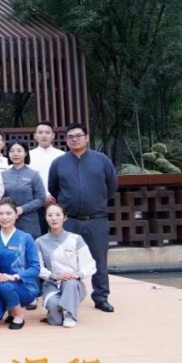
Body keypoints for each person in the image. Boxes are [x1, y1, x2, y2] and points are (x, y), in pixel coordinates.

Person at [48, 122, 118, 313]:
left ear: (86, 138)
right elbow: (53, 188)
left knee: (99, 260)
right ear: (66, 140)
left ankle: (101, 297)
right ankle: (65, 296)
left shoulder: (101, 160)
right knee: (65, 259)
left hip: (96, 219)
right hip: (69, 220)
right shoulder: (59, 163)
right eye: (70, 137)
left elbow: (112, 185)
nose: (75, 139)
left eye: (79, 135)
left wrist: (97, 201)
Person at [0, 200, 41, 329]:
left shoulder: (26, 238)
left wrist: (14, 277)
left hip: (25, 286)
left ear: (16, 215)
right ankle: (11, 307)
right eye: (1, 213)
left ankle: (18, 315)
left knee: (6, 286)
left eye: (9, 213)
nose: (4, 217)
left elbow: (35, 268)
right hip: (2, 285)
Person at [36, 204, 97, 328]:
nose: (54, 218)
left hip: (73, 285)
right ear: (46, 218)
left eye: (58, 215)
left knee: (70, 282)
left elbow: (90, 264)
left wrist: (77, 275)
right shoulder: (40, 241)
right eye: (50, 215)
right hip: (52, 284)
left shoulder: (76, 239)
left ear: (64, 218)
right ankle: (57, 312)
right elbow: (38, 267)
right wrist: (54, 276)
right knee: (56, 319)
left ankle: (70, 314)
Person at [3, 142, 46, 237]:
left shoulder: (34, 174)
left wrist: (22, 209)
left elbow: (41, 198)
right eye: (12, 151)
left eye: (19, 151)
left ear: (26, 153)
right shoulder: (3, 175)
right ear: (8, 154)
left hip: (29, 220)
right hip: (7, 220)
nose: (15, 154)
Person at [29, 121, 64, 201]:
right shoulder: (28, 156)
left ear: (53, 135)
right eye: (40, 133)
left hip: (58, 199)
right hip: (34, 199)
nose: (44, 136)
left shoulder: (62, 155)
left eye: (47, 133)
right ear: (35, 136)